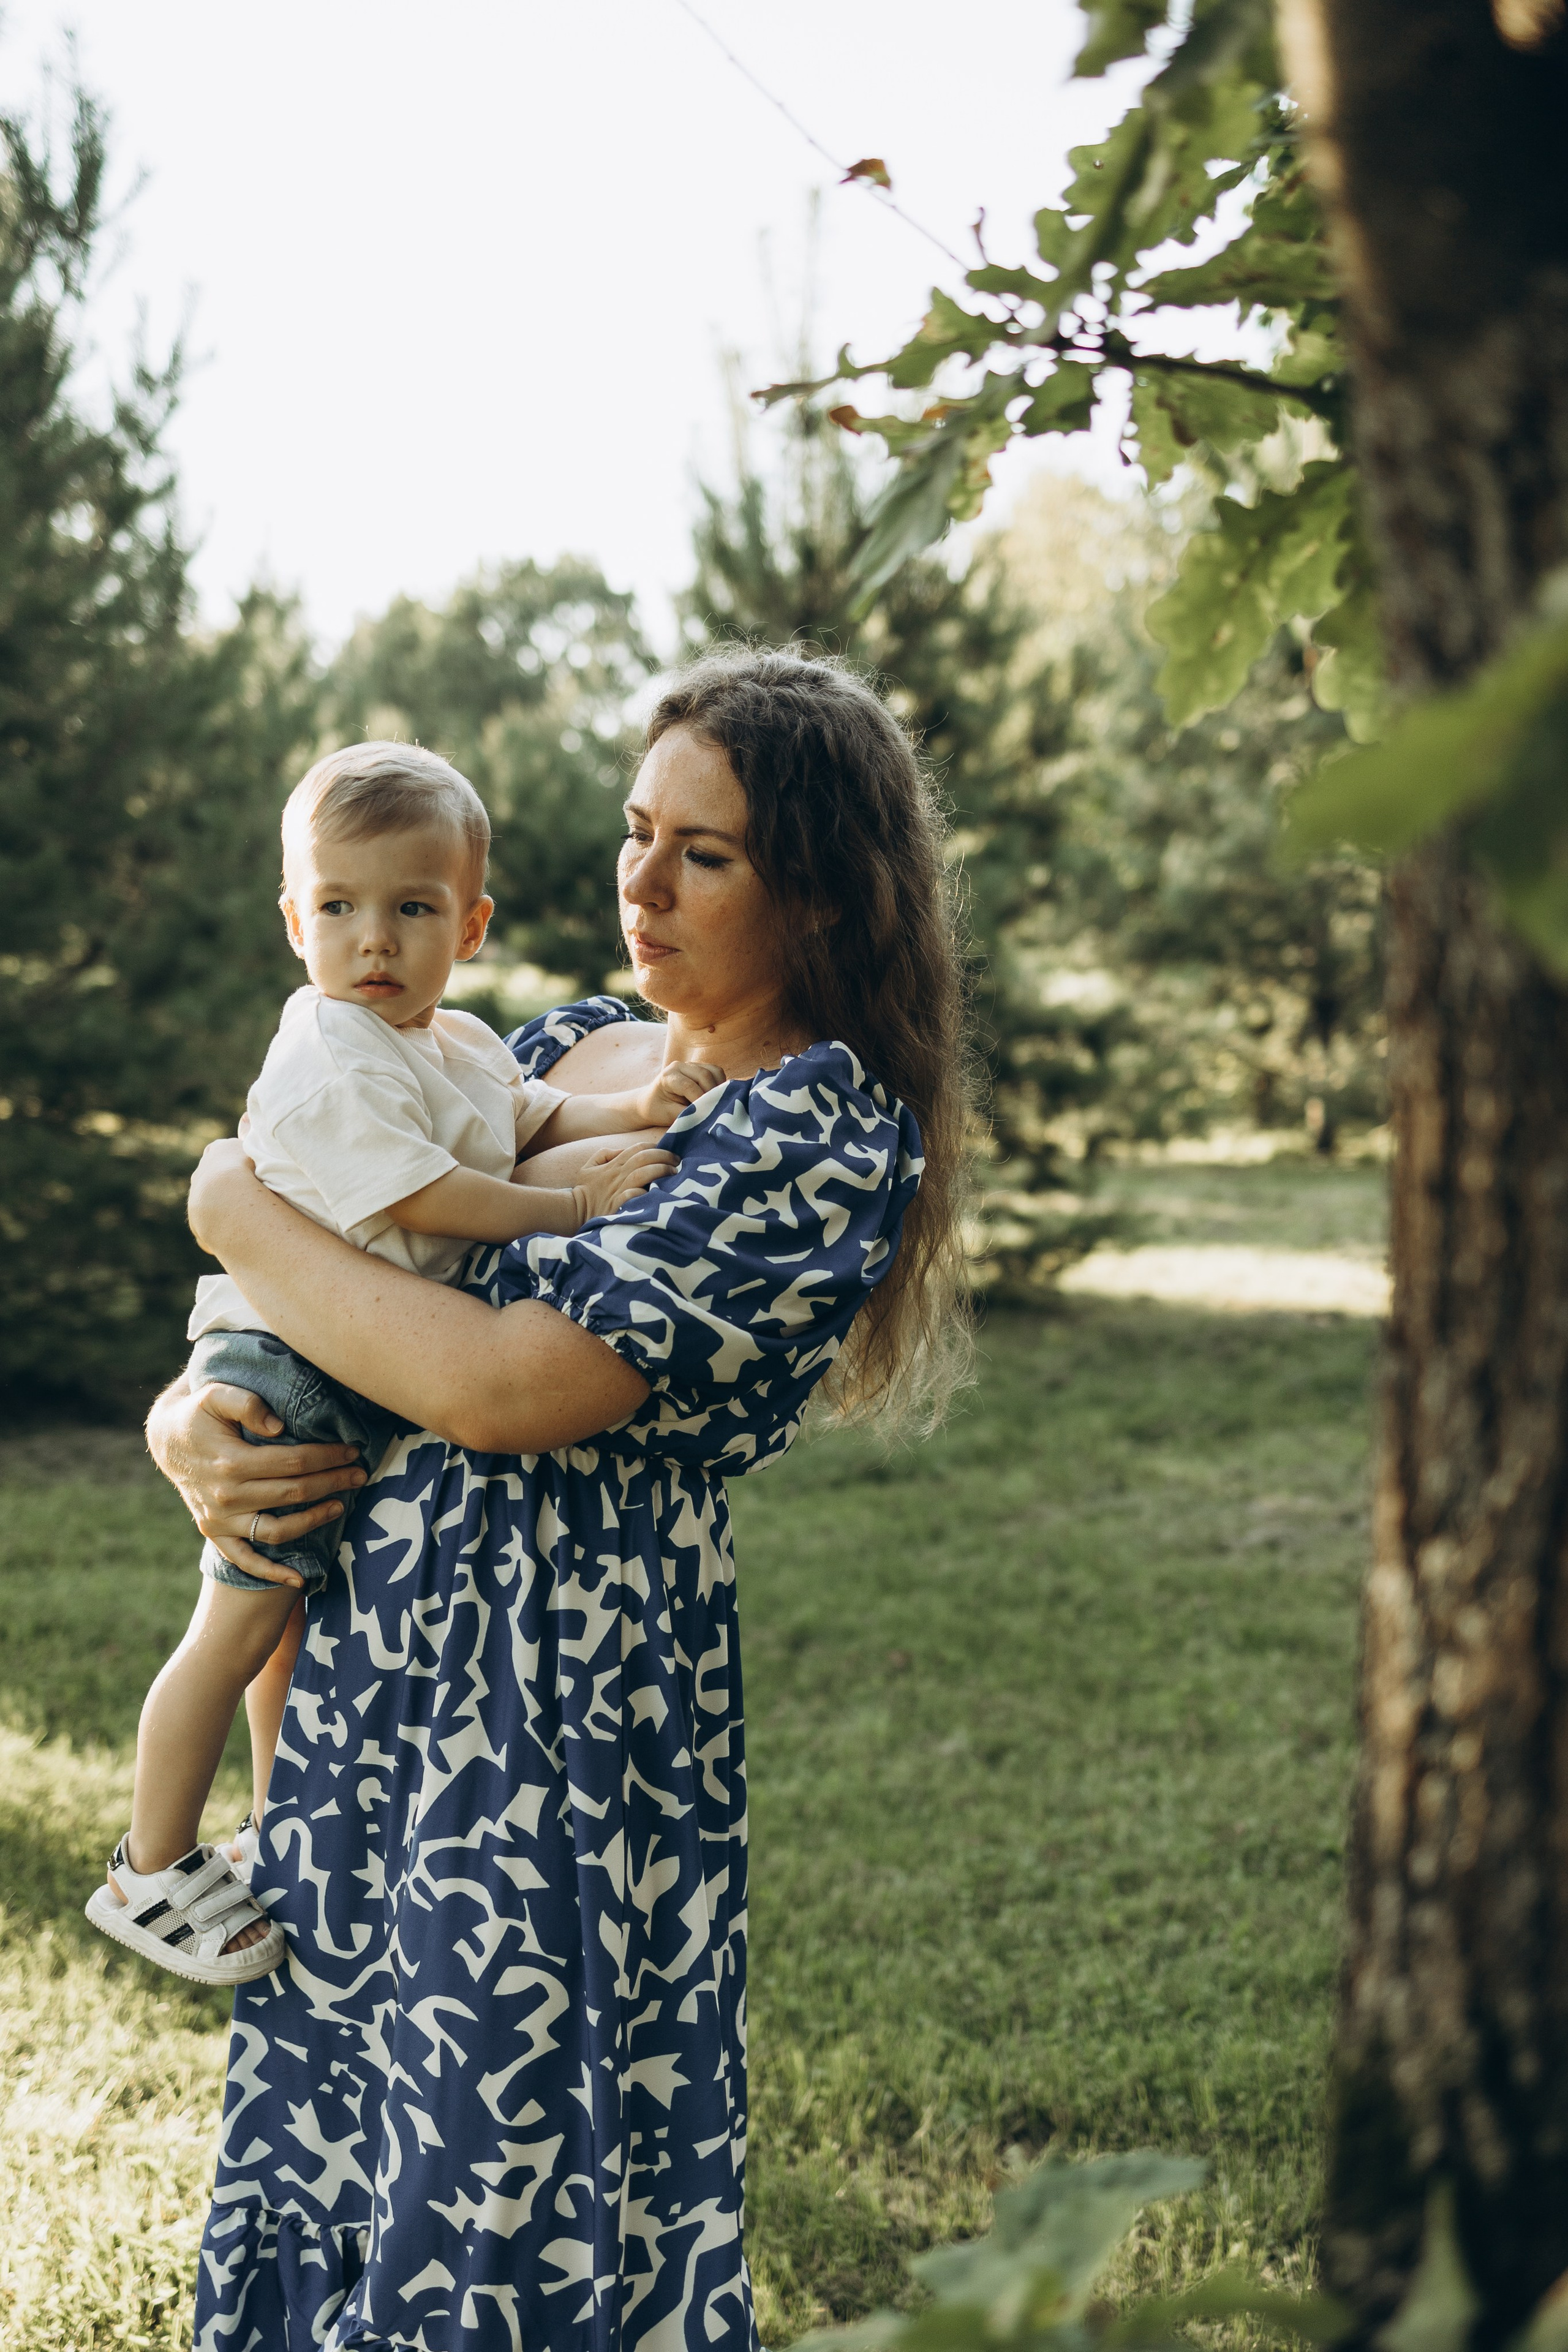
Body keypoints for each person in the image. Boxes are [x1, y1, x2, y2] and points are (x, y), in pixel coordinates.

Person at [148, 652, 972, 2352]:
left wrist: (231, 1207)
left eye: (709, 855)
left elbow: (500, 1386)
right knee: (340, 2139)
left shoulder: (816, 1128)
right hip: (359, 1684)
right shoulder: (549, 1049)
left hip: (550, 1731)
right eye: (634, 831)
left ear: (821, 890)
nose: (643, 885)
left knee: (490, 2174)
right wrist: (192, 1419)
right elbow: (359, 1260)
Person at [91, 741, 720, 1988]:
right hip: (287, 1359)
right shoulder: (329, 1049)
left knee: (288, 1628)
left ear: (469, 924)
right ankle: (149, 1867)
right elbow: (429, 1197)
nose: (371, 941)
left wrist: (638, 1109)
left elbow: (532, 1118)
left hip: (348, 1346)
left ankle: (274, 1833)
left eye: (411, 910)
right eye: (338, 908)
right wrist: (569, 1213)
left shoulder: (458, 1044)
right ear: (294, 921)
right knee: (241, 1621)